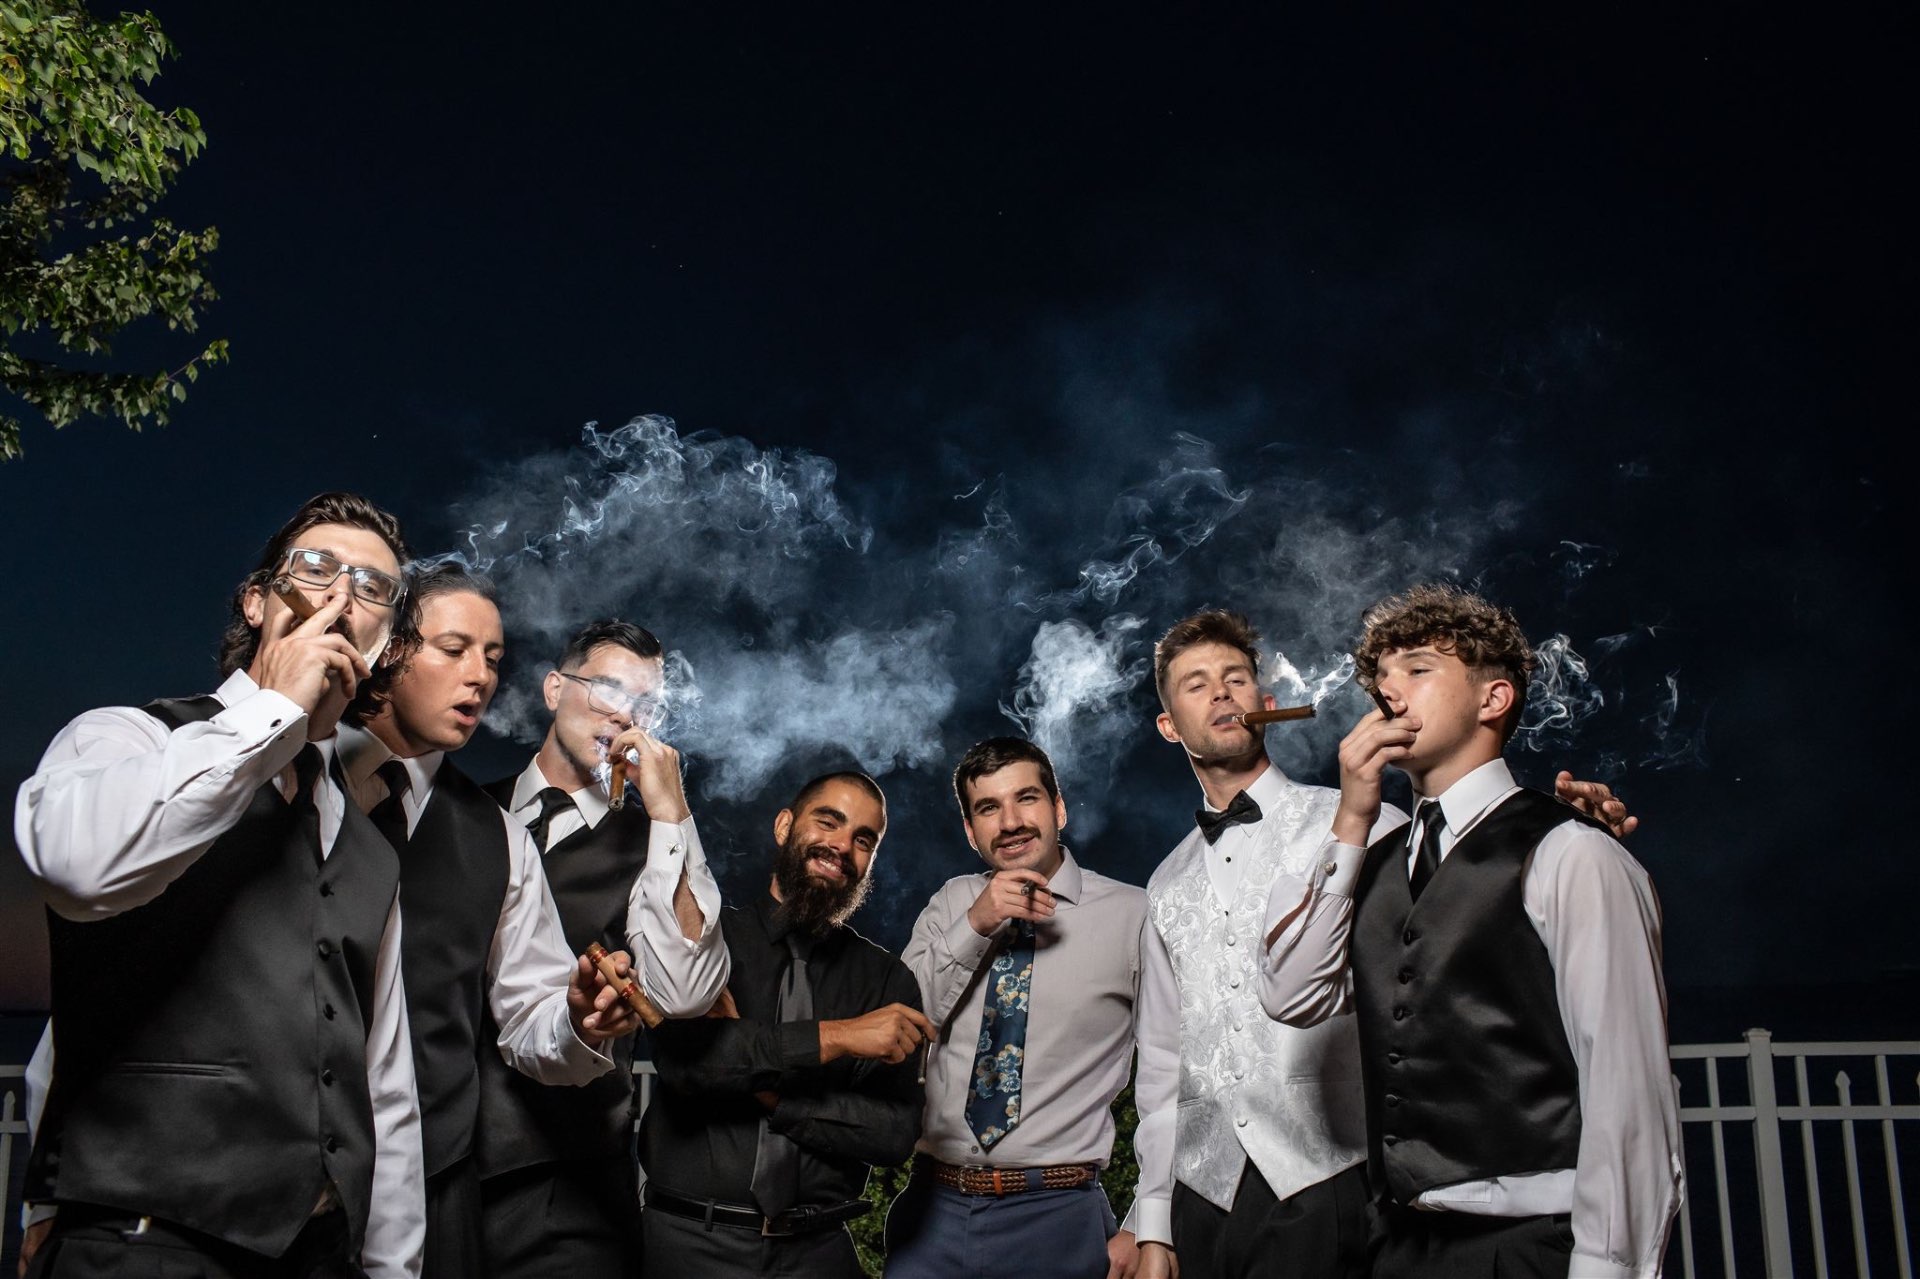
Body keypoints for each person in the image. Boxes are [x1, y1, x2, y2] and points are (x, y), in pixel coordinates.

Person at [1129, 608, 1634, 1279]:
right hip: (1204, 1194)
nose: (1221, 692)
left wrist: (1561, 840)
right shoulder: (1165, 880)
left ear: (1267, 705)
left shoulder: (1376, 824)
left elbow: (1470, 903)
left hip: (1329, 1179)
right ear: (1170, 726)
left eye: (1236, 678)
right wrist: (1153, 1221)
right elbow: (1162, 1061)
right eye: (1196, 684)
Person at [13, 492, 425, 1278]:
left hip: (319, 1255)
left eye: (373, 587)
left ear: (385, 645)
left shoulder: (371, 847)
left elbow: (384, 1082)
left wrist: (390, 1267)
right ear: (257, 600)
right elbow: (77, 869)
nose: (342, 595)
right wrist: (274, 709)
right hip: (144, 1243)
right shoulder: (128, 737)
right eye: (317, 568)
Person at [1258, 584, 1682, 1278]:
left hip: (1532, 1246)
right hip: (1397, 1247)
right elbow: (1291, 995)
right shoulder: (1370, 858)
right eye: (1381, 676)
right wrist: (1353, 819)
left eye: (1418, 668)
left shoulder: (1573, 852)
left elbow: (1627, 1091)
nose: (1388, 690)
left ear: (1493, 698)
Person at [335, 565, 656, 1279]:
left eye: (492, 657)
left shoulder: (497, 837)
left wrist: (577, 1019)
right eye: (455, 649)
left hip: (439, 1182)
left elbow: (530, 1013)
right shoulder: (286, 775)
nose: (480, 676)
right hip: (256, 1180)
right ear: (389, 650)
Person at [476, 618, 728, 1279]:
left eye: (646, 704)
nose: (624, 714)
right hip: (431, 1168)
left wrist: (671, 811)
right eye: (609, 688)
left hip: (568, 1189)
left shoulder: (652, 845)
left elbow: (686, 991)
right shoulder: (465, 811)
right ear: (554, 688)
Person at [638, 771, 932, 1277]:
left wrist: (770, 1091)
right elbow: (688, 1065)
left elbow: (893, 1134)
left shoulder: (887, 980)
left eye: (864, 840)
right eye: (828, 822)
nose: (842, 846)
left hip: (818, 1254)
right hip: (688, 1245)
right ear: (783, 827)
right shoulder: (709, 944)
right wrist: (842, 1037)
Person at [887, 737, 1146, 1279]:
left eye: (1026, 798)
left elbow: (1178, 1073)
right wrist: (976, 925)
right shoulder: (952, 903)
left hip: (1058, 1215)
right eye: (988, 808)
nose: (1009, 823)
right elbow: (899, 1023)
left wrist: (1145, 1222)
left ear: (1059, 808)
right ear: (970, 831)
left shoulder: (1133, 914)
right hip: (932, 1212)